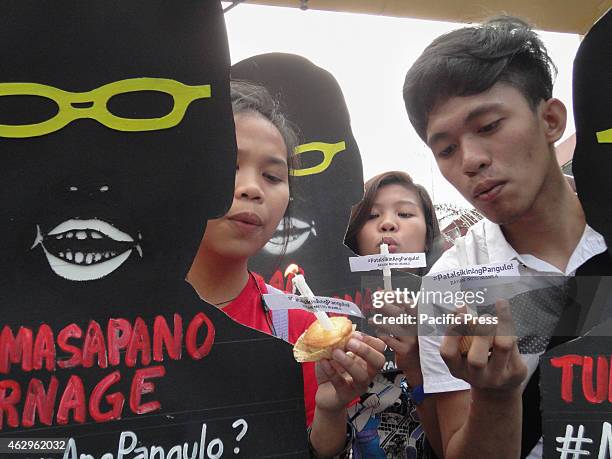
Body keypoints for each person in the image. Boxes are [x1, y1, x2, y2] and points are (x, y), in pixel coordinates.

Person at [402, 16, 608, 459]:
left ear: (550, 119)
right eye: (446, 149)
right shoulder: (451, 285)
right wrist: (496, 397)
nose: (471, 161)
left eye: (490, 126)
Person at [187, 80, 386, 458]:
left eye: (273, 176)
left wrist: (330, 409)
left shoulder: (300, 331)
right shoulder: (105, 321)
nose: (251, 189)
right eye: (227, 164)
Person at [345, 171, 443, 458]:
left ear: (427, 235)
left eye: (404, 213)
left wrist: (417, 366)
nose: (387, 223)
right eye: (372, 216)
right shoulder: (329, 315)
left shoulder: (455, 309)